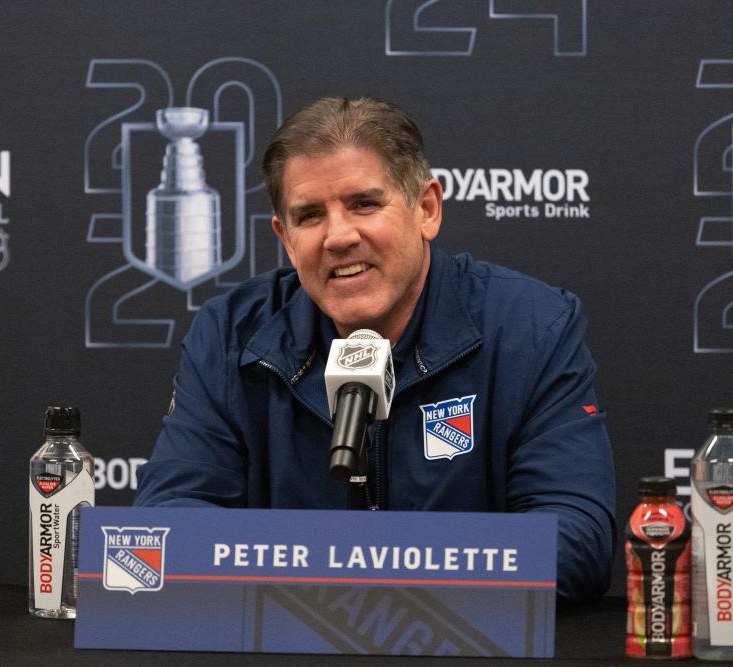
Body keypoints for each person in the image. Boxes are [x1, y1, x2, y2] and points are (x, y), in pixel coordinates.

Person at [134, 97, 616, 603]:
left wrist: (369, 572)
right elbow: (169, 522)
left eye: (364, 204)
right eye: (310, 215)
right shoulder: (229, 335)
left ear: (426, 209)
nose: (339, 236)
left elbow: (575, 541)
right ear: (286, 238)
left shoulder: (531, 327)